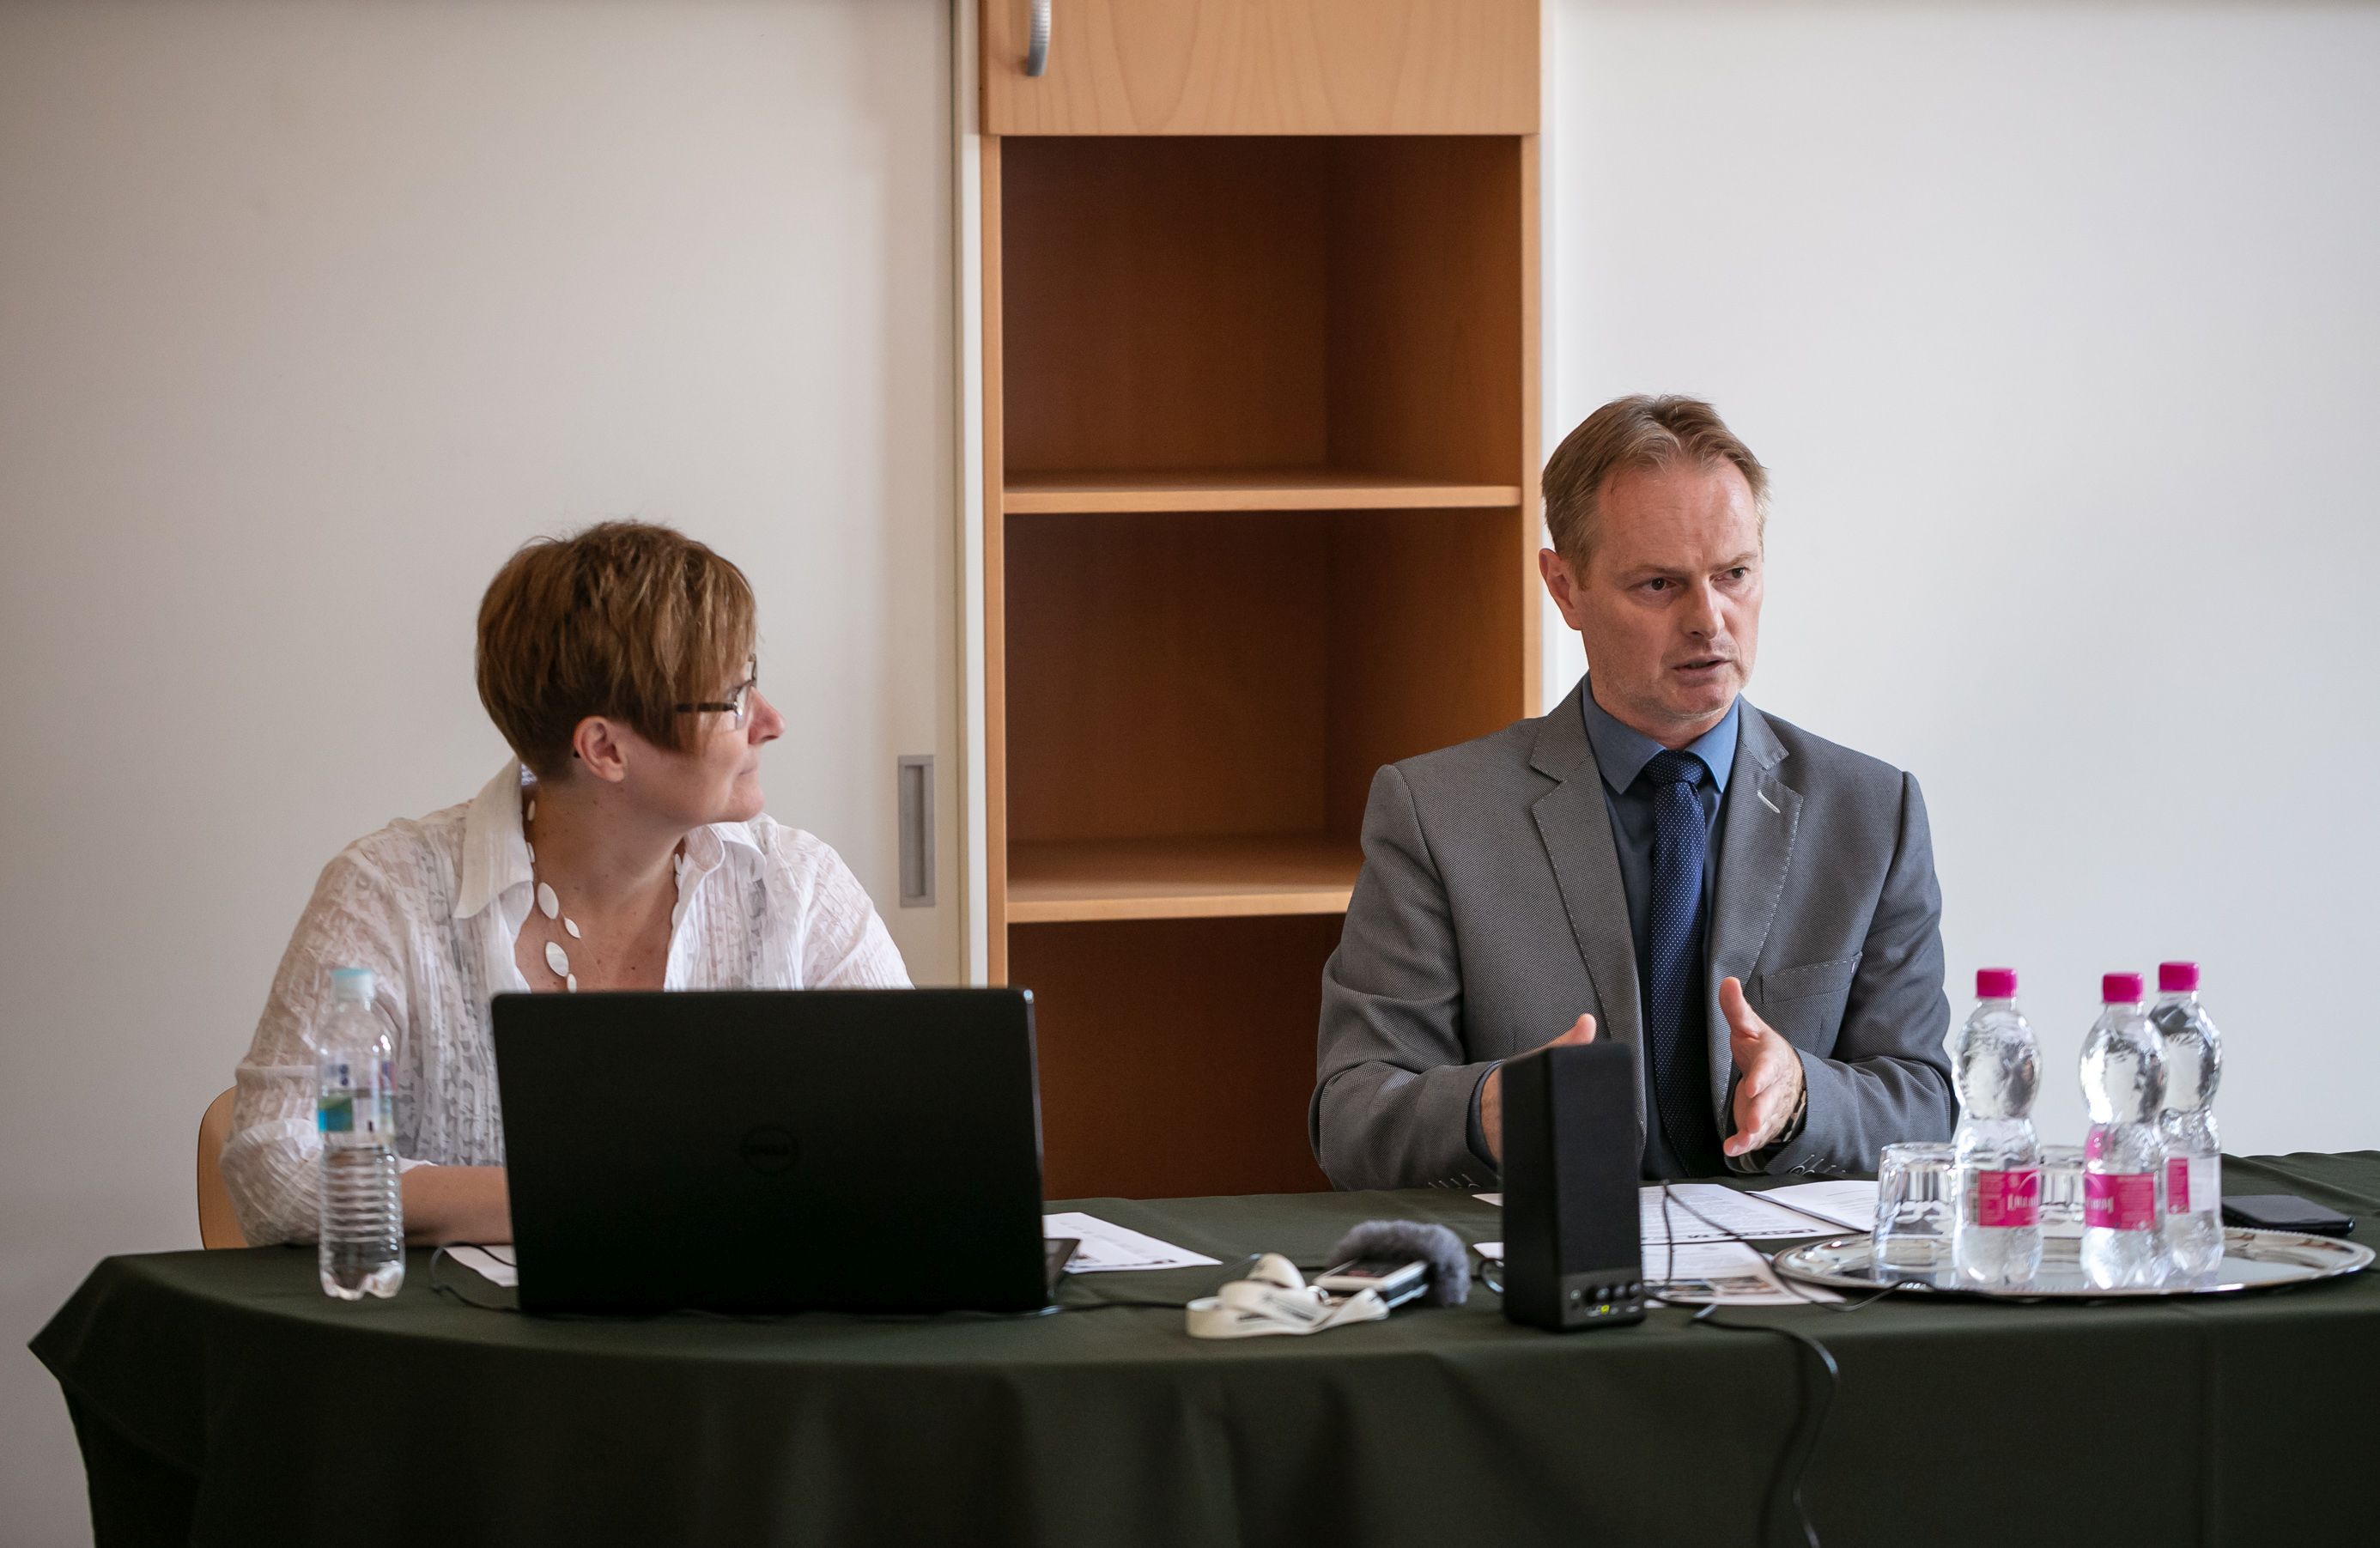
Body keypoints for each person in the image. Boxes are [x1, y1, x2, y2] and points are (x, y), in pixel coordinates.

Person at [1311, 396, 1954, 1189]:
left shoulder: (1872, 812)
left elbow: (1925, 1103)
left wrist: (1803, 1097)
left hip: (1788, 1262)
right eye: (1658, 584)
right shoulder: (1437, 813)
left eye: (1734, 575)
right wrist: (1484, 1112)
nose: (1709, 619)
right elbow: (1352, 1112)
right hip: (1553, 1253)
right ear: (1565, 587)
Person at [222, 522, 908, 1246]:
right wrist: (581, 1197)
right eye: (733, 698)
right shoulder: (388, 894)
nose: (770, 721)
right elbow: (277, 1164)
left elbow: (911, 1127)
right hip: (474, 1323)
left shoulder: (798, 884)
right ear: (605, 749)